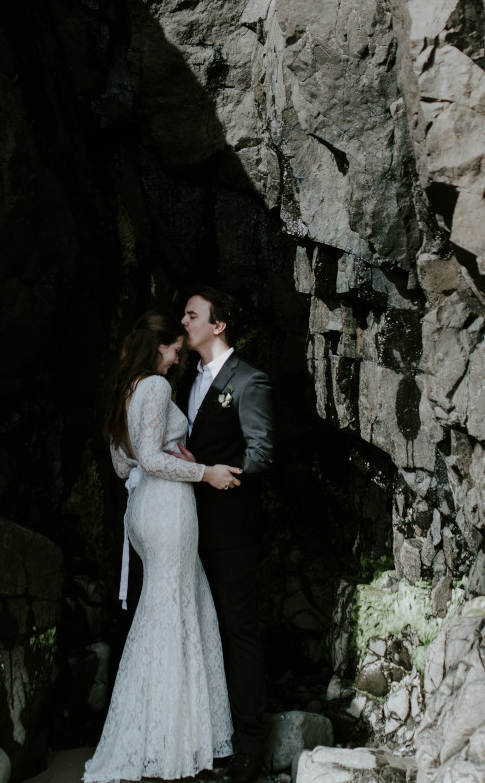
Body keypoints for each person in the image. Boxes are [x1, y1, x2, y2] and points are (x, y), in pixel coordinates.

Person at [83, 311, 244, 783]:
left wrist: (171, 453)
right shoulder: (153, 387)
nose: (177, 359)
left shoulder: (124, 390)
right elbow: (151, 458)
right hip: (169, 509)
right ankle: (173, 745)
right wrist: (204, 472)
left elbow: (122, 465)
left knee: (167, 609)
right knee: (173, 612)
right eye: (174, 349)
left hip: (144, 511)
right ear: (158, 346)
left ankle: (159, 736)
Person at [176, 288, 273, 783]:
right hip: (186, 528)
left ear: (218, 326)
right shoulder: (185, 381)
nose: (183, 319)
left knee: (240, 630)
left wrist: (216, 470)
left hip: (232, 528)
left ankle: (250, 745)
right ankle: (206, 737)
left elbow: (262, 451)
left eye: (192, 314)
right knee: (197, 630)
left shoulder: (249, 380)